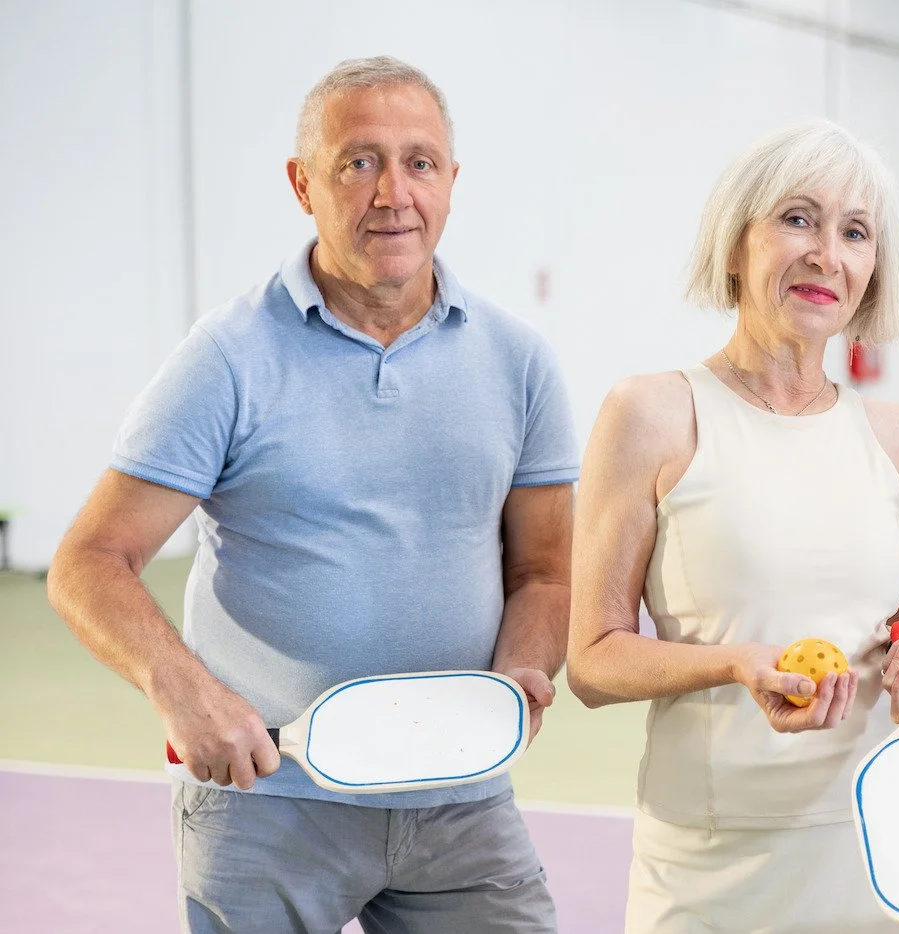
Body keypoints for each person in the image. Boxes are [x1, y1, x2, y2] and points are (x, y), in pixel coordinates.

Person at [46, 56, 573, 932]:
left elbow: (547, 570)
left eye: (420, 162)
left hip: (459, 798)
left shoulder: (519, 362)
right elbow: (89, 561)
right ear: (303, 184)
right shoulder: (227, 358)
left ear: (451, 183)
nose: (393, 192)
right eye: (358, 161)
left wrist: (519, 673)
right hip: (268, 801)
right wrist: (183, 689)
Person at [563, 120, 899, 934]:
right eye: (798, 219)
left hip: (871, 845)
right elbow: (592, 664)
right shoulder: (651, 414)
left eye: (855, 233)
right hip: (711, 865)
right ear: (734, 245)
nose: (826, 255)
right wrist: (735, 664)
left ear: (873, 274)